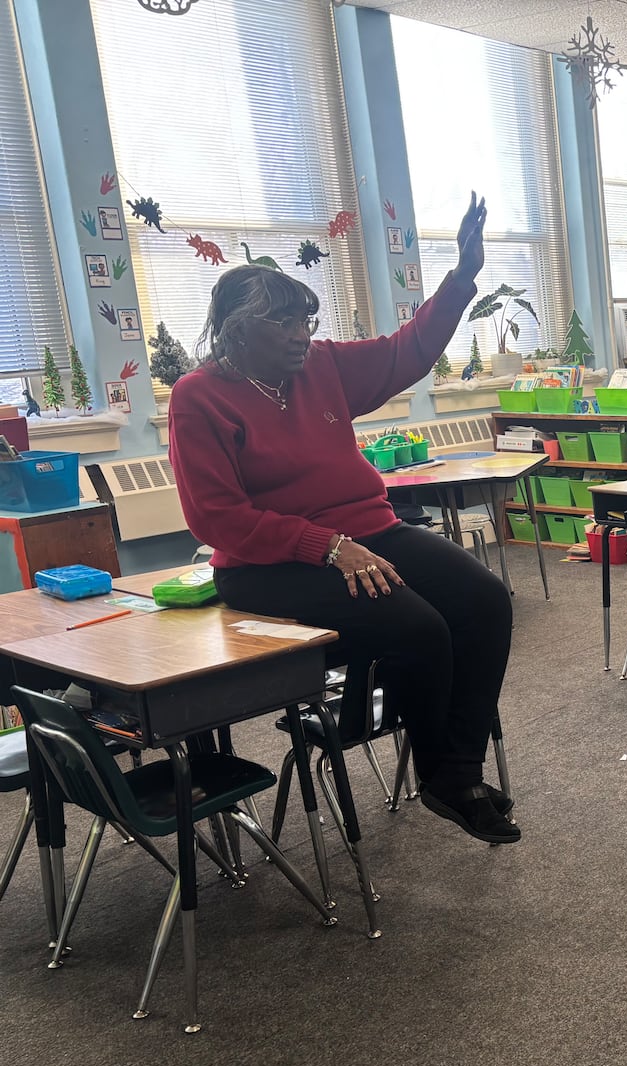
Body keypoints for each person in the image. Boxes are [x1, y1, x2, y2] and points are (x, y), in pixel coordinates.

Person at [168, 194, 519, 846]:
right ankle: (445, 772)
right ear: (240, 331)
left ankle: (454, 770)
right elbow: (217, 518)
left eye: (308, 320)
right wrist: (325, 546)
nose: (304, 335)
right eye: (286, 325)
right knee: (419, 626)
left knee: (484, 600)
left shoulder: (321, 366)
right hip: (268, 565)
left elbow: (406, 351)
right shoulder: (199, 398)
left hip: (366, 531)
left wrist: (462, 276)